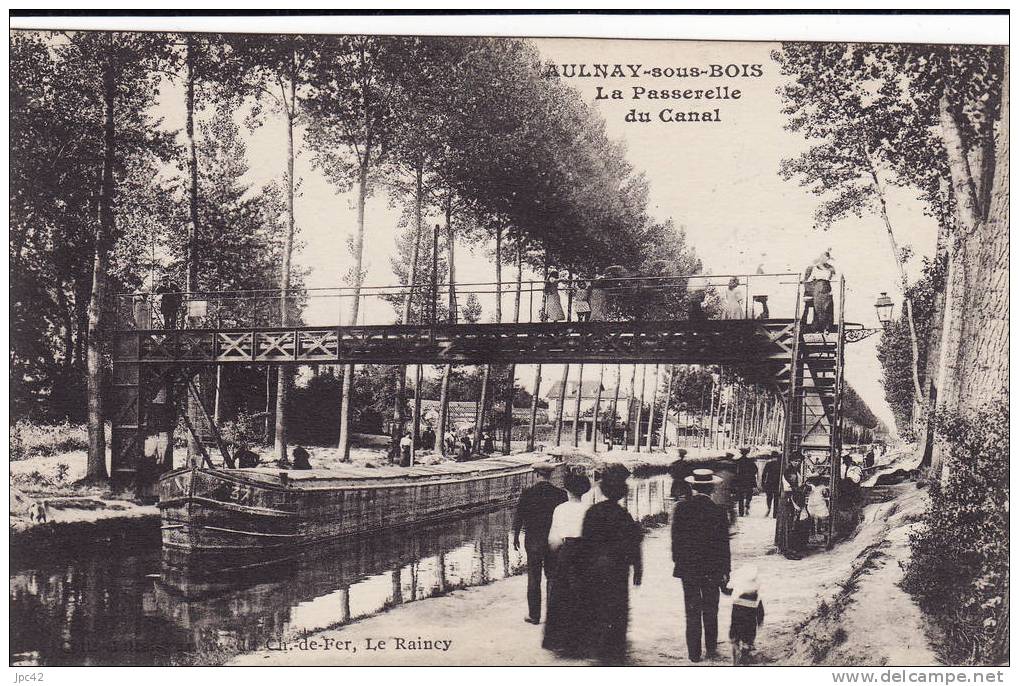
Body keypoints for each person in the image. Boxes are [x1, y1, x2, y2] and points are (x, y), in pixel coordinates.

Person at [580, 464, 643, 663]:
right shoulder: (624, 516)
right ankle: (615, 647)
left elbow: (586, 543)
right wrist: (638, 569)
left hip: (595, 567)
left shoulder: (592, 513)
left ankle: (596, 645)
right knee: (617, 607)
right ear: (622, 494)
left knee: (596, 604)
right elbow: (634, 544)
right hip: (617, 569)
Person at [672, 468, 731, 663]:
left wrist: (679, 562)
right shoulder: (719, 512)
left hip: (688, 569)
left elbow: (676, 542)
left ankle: (694, 654)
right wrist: (725, 571)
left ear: (692, 486)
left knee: (692, 610)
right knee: (711, 608)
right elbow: (723, 545)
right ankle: (711, 648)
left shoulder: (681, 509)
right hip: (712, 570)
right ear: (712, 488)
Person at [543, 471, 592, 655]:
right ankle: (582, 640)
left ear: (567, 489)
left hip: (567, 550)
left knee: (562, 595)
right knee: (583, 593)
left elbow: (553, 539)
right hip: (585, 553)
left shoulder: (560, 509)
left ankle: (560, 641)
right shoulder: (589, 508)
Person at [513, 463, 567, 625]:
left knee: (534, 577)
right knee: (552, 576)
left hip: (533, 541)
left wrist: (515, 536)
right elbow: (564, 519)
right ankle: (552, 616)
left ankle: (534, 616)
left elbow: (519, 517)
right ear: (550, 475)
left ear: (536, 474)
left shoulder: (528, 493)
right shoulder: (560, 494)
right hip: (553, 541)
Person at [727, 565, 766, 666]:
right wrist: (760, 621)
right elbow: (760, 611)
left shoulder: (737, 596)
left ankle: (736, 648)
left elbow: (734, 615)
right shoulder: (756, 597)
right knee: (748, 638)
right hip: (750, 626)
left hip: (736, 624)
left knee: (736, 636)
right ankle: (745, 653)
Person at [734, 447, 758, 517]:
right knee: (749, 494)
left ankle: (741, 512)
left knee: (740, 496)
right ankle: (747, 504)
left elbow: (735, 472)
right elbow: (755, 470)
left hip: (740, 480)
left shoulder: (738, 461)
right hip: (749, 480)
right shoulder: (750, 461)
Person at [761, 451, 782, 518]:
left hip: (769, 483)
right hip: (777, 483)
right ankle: (775, 514)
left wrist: (763, 482)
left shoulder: (768, 464)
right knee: (776, 498)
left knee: (769, 497)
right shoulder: (780, 464)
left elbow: (764, 474)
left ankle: (769, 508)